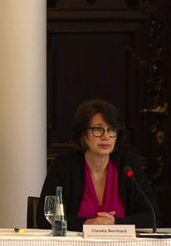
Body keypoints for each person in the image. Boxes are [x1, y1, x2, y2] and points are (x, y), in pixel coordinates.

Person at [36, 99, 159, 231]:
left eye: (111, 129)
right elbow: (45, 219)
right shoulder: (64, 166)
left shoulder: (128, 166)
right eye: (98, 129)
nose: (106, 136)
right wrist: (87, 223)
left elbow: (152, 216)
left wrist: (115, 223)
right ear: (83, 134)